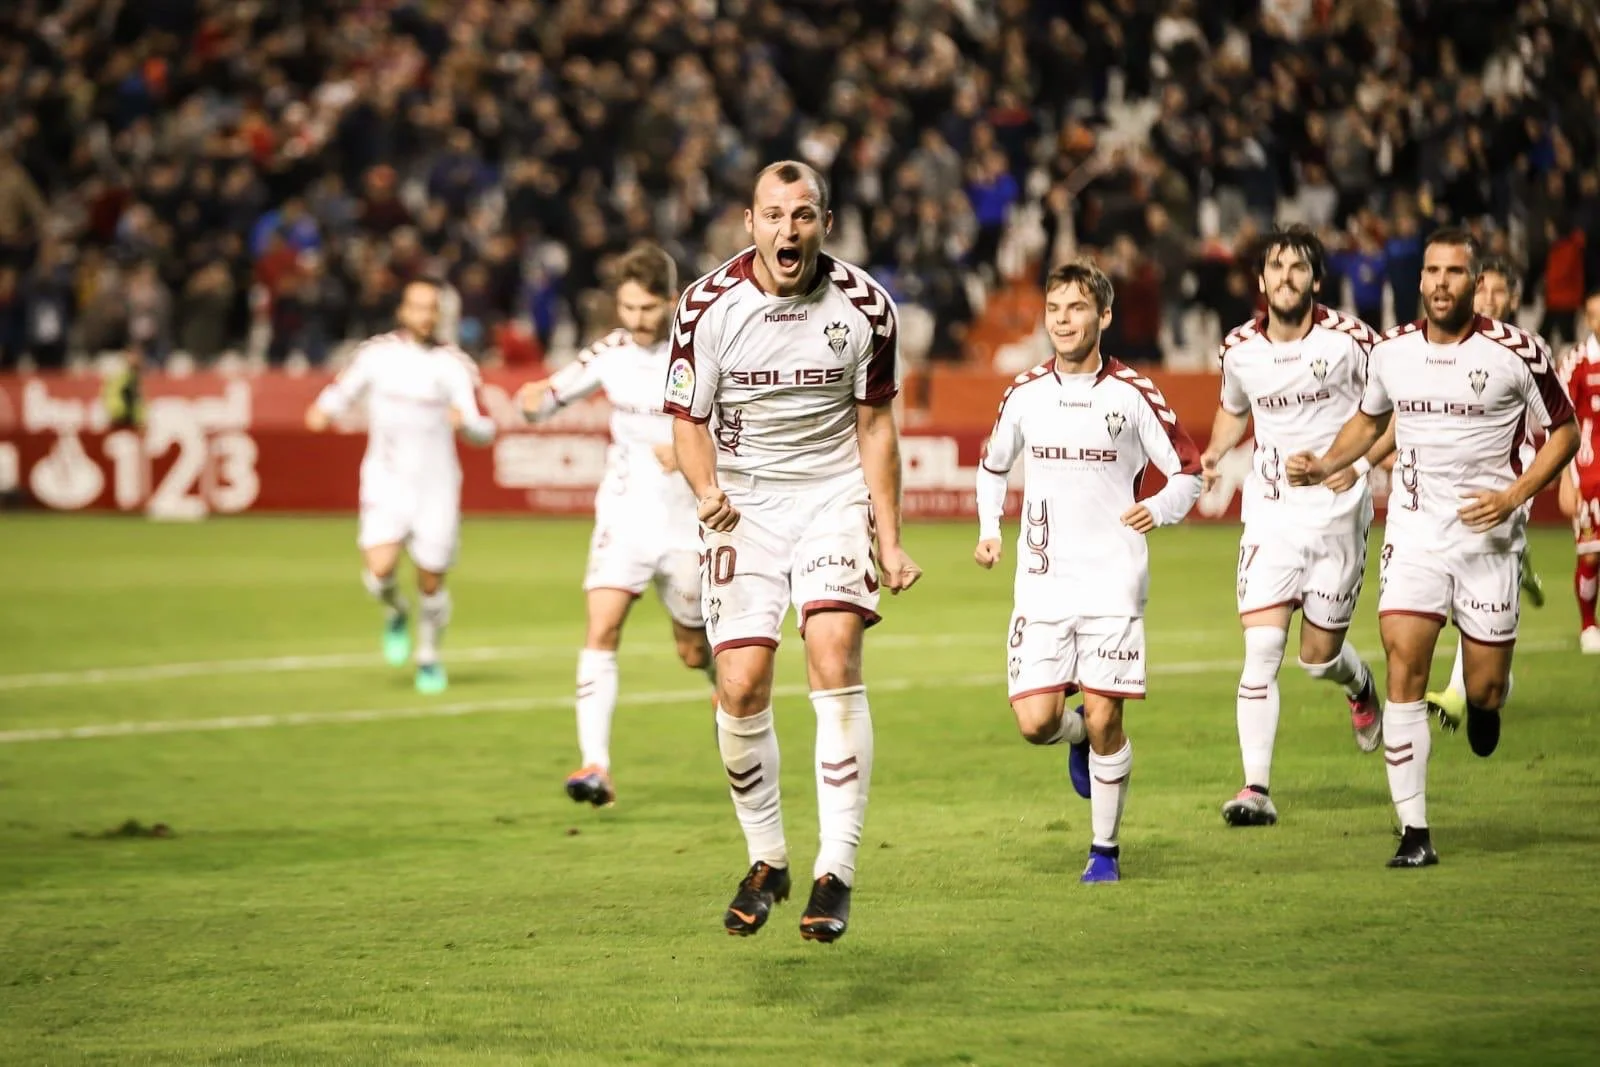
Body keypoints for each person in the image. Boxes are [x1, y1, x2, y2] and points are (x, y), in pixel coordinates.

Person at [664, 160, 920, 943]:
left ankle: (834, 869)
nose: (787, 229)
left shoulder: (866, 307)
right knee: (740, 684)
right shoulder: (706, 306)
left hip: (832, 496)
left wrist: (890, 538)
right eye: (773, 215)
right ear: (750, 223)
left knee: (833, 653)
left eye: (802, 214)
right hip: (744, 505)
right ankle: (767, 860)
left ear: (825, 224)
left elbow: (876, 427)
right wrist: (705, 488)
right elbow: (687, 420)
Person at [1287, 228, 1578, 868]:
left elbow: (1565, 432)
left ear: (1475, 281)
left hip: (1488, 539)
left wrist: (1513, 496)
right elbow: (1370, 419)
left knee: (1486, 688)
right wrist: (1330, 462)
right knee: (1404, 665)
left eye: (1454, 272)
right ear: (1419, 280)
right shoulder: (1391, 351)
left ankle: (1484, 704)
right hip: (1415, 534)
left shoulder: (1517, 352)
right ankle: (1414, 832)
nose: (1442, 283)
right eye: (1432, 271)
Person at [973, 260, 1202, 884]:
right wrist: (990, 530)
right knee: (1036, 723)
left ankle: (1104, 852)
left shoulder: (1132, 393)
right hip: (1042, 582)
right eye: (1054, 309)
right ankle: (1073, 737)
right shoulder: (1024, 393)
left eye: (1076, 308)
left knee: (1106, 717)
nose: (1063, 321)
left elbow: (1189, 471)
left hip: (1112, 583)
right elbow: (993, 466)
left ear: (1103, 315)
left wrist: (1159, 508)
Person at [516, 244, 714, 809]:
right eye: (627, 307)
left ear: (671, 302)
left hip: (688, 526)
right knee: (601, 629)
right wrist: (532, 401)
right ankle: (594, 766)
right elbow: (548, 398)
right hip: (624, 518)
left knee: (692, 650)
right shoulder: (611, 352)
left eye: (647, 308)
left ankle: (720, 685)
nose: (636, 319)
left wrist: (692, 452)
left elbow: (739, 427)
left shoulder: (702, 352)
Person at [1200, 226, 1383, 830]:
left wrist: (1355, 465)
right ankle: (1255, 789)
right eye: (1276, 266)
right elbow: (1234, 409)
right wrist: (1214, 452)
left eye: (1298, 267)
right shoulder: (1239, 348)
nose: (1286, 276)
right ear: (1261, 280)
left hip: (1336, 517)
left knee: (1317, 658)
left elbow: (1395, 410)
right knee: (1262, 651)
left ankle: (1359, 684)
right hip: (1271, 515)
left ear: (1316, 280)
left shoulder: (1352, 341)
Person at [1363, 256, 1553, 720]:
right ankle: (1483, 666)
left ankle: (1460, 688)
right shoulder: (1432, 350)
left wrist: (1531, 483)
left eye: (1498, 291)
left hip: (1510, 476)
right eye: (1484, 289)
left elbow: (1558, 424)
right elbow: (1405, 417)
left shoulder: (1524, 350)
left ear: (1514, 299)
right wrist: (1365, 459)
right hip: (1438, 501)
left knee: (1490, 545)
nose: (1489, 299)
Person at [306, 278, 496, 694]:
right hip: (386, 482)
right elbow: (341, 392)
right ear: (403, 311)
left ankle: (428, 657)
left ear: (439, 314)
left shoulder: (453, 364)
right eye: (417, 307)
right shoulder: (376, 355)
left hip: (436, 488)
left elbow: (484, 428)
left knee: (431, 581)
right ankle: (395, 611)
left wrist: (468, 427)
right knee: (379, 572)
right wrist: (324, 410)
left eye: (431, 308)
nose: (425, 316)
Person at [1556, 289, 1600, 653]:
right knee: (1590, 553)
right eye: (1596, 314)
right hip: (1589, 473)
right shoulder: (1575, 362)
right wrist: (1565, 479)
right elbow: (1560, 422)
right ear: (1587, 319)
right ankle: (1588, 626)